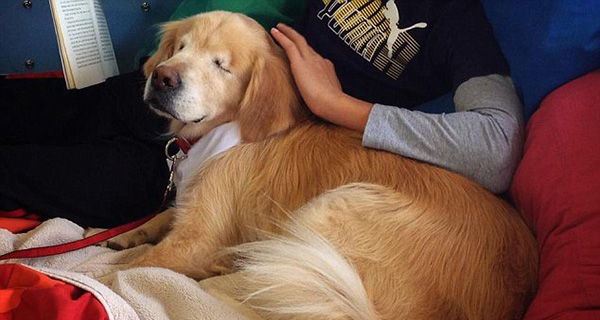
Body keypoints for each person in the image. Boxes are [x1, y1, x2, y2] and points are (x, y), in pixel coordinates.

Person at [0, 0, 523, 227]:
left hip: (250, 152)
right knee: (45, 110)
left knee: (31, 174)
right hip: (193, 81)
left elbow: (495, 146)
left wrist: (336, 105)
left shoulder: (460, 26)